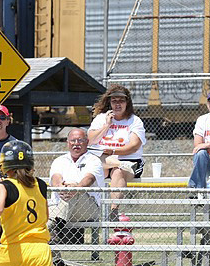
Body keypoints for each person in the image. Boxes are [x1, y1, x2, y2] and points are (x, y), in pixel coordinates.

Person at [88, 85, 146, 221]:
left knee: (118, 171)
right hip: (104, 159)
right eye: (114, 101)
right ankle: (89, 209)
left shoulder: (134, 120)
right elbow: (90, 140)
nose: (118, 104)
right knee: (94, 164)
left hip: (130, 162)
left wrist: (113, 151)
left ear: (127, 103)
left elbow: (133, 146)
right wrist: (107, 125)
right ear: (109, 103)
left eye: (121, 101)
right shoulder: (102, 118)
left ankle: (114, 210)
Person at [48, 128, 104, 245]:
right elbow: (55, 178)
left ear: (87, 142)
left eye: (80, 140)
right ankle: (58, 259)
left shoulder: (94, 160)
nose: (76, 144)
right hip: (62, 205)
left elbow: (89, 179)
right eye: (73, 140)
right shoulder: (59, 160)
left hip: (87, 208)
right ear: (67, 142)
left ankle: (52, 228)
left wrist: (76, 187)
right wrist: (61, 188)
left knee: (72, 192)